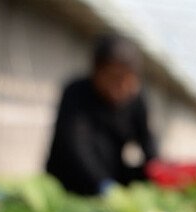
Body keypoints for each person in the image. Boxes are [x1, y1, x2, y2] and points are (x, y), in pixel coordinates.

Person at [46, 34, 159, 196]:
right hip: (70, 180)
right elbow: (76, 146)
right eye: (114, 78)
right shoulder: (76, 93)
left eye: (127, 80)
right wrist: (102, 184)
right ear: (96, 72)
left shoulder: (136, 101)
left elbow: (147, 141)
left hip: (111, 172)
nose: (120, 87)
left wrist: (157, 170)